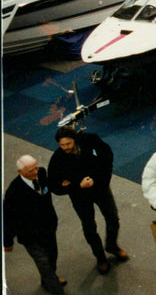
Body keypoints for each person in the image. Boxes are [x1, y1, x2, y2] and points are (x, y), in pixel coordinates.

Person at [48, 126, 127, 274]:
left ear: (75, 140)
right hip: (80, 197)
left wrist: (97, 181)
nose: (65, 148)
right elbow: (54, 185)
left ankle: (112, 245)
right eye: (62, 145)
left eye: (68, 144)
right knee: (89, 226)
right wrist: (78, 185)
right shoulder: (58, 159)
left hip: (101, 189)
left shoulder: (90, 140)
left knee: (113, 218)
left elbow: (107, 158)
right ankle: (100, 257)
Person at [4, 155, 65, 294]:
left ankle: (48, 280)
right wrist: (7, 242)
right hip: (31, 236)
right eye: (31, 171)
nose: (35, 172)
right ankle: (55, 288)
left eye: (36, 167)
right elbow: (9, 218)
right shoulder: (14, 192)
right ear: (20, 172)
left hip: (49, 229)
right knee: (45, 265)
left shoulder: (42, 173)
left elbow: (50, 190)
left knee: (52, 257)